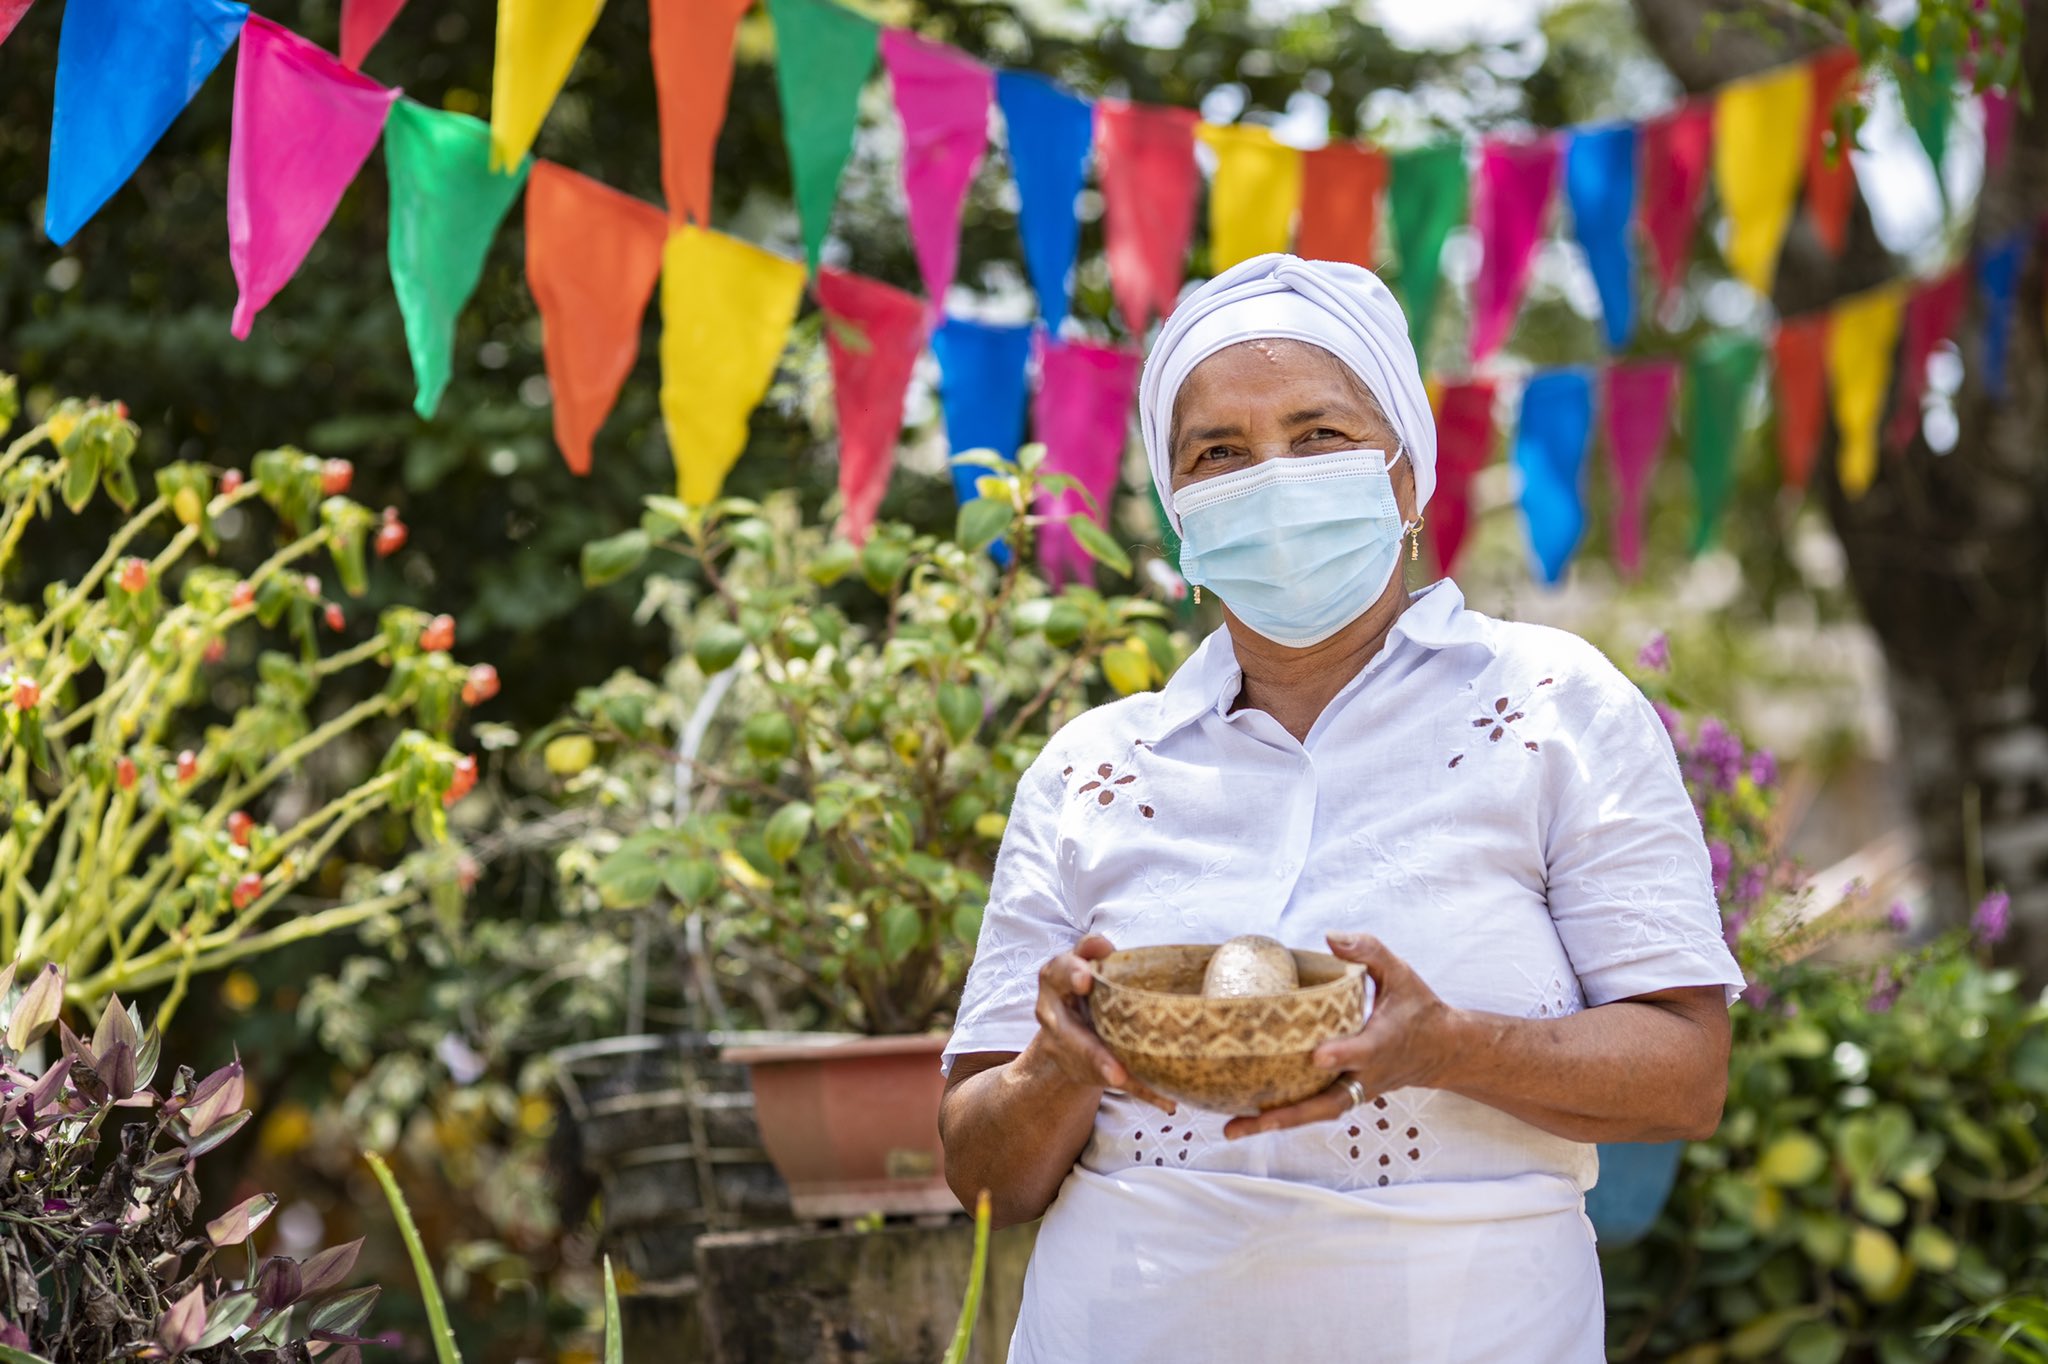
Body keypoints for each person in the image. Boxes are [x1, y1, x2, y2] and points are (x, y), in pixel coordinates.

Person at [938, 255, 1744, 1362]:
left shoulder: (1551, 704)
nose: (1270, 476)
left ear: (1404, 480)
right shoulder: (1092, 767)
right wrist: (1055, 1067)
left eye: (1317, 433)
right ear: (1181, 517)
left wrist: (1448, 1046)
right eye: (1218, 451)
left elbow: (1686, 1074)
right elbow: (981, 1169)